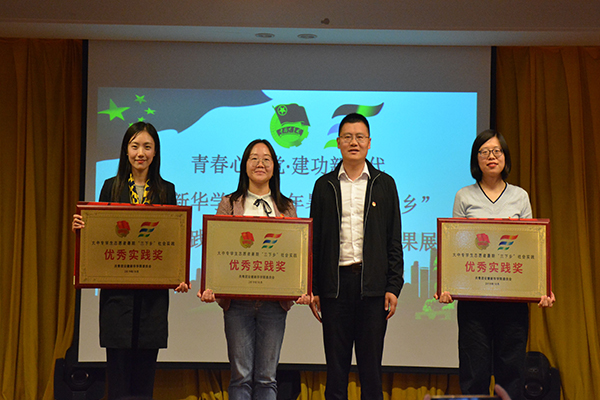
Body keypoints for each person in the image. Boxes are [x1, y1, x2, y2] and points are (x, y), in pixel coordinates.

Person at [72, 122, 189, 400]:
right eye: (135, 146)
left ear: (155, 152)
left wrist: (180, 275)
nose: (141, 153)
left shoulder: (166, 190)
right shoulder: (110, 188)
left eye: (147, 147)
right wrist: (83, 229)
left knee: (145, 379)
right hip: (117, 297)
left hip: (152, 298)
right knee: (118, 378)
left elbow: (173, 238)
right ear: (126, 150)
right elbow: (100, 235)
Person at [436, 129, 555, 400]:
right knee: (473, 372)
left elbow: (530, 246)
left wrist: (542, 287)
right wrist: (448, 285)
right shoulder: (464, 196)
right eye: (484, 152)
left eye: (496, 151)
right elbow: (455, 246)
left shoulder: (520, 197)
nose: (491, 157)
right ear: (475, 159)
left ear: (505, 157)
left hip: (512, 301)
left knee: (511, 373)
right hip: (474, 302)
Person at [199, 139, 311, 400]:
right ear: (244, 165)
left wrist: (302, 288)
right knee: (240, 378)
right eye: (254, 158)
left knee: (267, 379)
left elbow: (295, 254)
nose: (260, 163)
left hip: (274, 304)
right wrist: (209, 285)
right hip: (237, 304)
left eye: (266, 159)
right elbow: (217, 249)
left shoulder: (286, 207)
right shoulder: (229, 203)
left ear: (274, 167)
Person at [309, 113, 404, 400]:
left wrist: (393, 286)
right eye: (348, 137)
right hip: (335, 288)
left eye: (360, 137)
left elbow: (394, 239)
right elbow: (315, 241)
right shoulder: (324, 185)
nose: (354, 142)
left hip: (372, 289)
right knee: (336, 371)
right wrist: (314, 288)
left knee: (371, 372)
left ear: (369, 142)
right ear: (338, 142)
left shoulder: (384, 184)